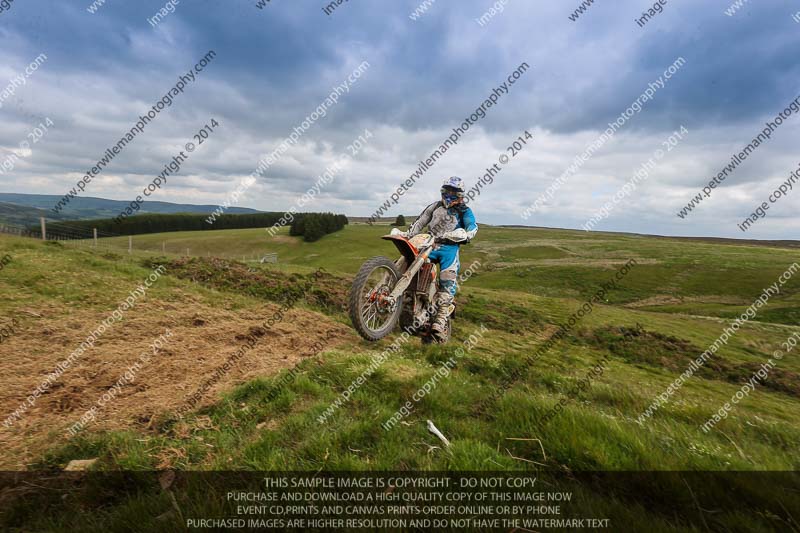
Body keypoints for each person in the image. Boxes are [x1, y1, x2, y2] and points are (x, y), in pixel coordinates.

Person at [392, 176, 478, 336]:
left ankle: (440, 319)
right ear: (443, 191)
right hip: (429, 243)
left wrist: (466, 234)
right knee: (409, 262)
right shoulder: (434, 206)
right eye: (447, 191)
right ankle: (401, 296)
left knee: (447, 280)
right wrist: (408, 234)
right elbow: (420, 222)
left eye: (453, 192)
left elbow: (472, 226)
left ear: (460, 194)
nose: (449, 195)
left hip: (449, 247)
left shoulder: (465, 211)